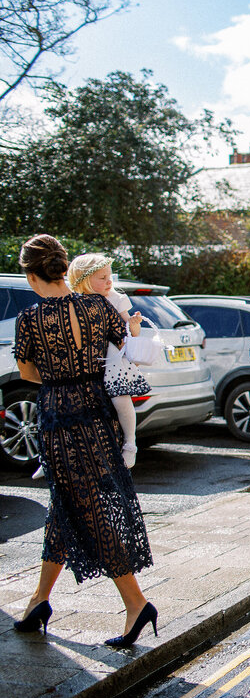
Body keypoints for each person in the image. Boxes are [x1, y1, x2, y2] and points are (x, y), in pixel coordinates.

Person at [11, 235, 156, 647]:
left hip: (61, 419)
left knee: (86, 507)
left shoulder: (32, 317)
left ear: (34, 274)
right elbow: (122, 348)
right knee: (67, 505)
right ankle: (40, 598)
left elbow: (27, 373)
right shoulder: (96, 305)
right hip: (100, 413)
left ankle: (136, 603)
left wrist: (60, 379)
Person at [66, 254, 148, 469]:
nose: (109, 281)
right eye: (102, 278)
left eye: (110, 276)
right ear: (83, 280)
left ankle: (130, 444)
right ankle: (53, 456)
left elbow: (129, 336)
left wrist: (134, 324)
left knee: (121, 400)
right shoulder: (73, 301)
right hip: (85, 363)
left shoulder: (116, 298)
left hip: (112, 359)